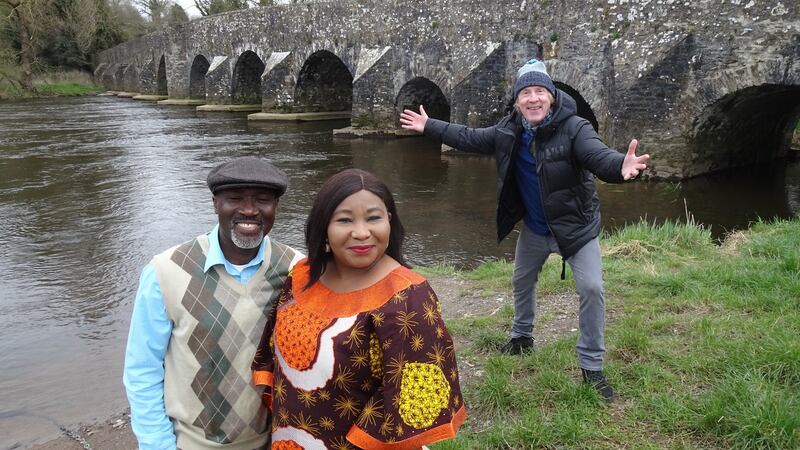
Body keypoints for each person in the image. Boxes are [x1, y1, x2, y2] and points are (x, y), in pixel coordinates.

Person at [399, 59, 649, 402]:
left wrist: (620, 165)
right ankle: (522, 339)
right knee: (521, 280)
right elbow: (469, 137)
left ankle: (592, 368)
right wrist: (431, 126)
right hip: (534, 228)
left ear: (552, 96)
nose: (533, 99)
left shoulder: (575, 128)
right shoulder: (508, 131)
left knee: (592, 288)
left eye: (540, 92)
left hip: (576, 229)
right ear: (517, 101)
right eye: (526, 93)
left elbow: (597, 155)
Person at [252, 168, 466, 449]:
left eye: (374, 218)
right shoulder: (302, 277)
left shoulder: (407, 298)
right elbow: (274, 356)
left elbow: (417, 393)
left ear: (389, 220)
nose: (362, 232)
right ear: (324, 227)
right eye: (344, 220)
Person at [123, 156, 303, 450]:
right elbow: (142, 369)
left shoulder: (296, 270)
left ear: (275, 208)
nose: (249, 210)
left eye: (263, 200)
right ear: (215, 204)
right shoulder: (165, 271)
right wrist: (157, 445)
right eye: (234, 198)